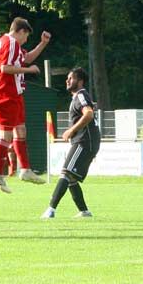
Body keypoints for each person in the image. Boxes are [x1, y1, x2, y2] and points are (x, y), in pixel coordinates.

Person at [0, 17, 52, 192]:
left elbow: (27, 57)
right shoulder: (10, 43)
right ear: (21, 31)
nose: (25, 41)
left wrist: (42, 44)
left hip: (14, 94)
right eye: (25, 37)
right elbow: (5, 68)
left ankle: (25, 169)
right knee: (6, 135)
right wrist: (29, 71)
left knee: (21, 130)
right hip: (5, 94)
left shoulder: (8, 43)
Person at [43, 68, 100, 219]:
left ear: (80, 81)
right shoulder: (76, 97)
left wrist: (71, 130)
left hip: (84, 141)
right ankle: (84, 211)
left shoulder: (81, 95)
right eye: (67, 78)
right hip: (85, 141)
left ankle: (50, 209)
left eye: (71, 78)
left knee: (66, 173)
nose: (67, 81)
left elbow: (88, 113)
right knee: (71, 177)